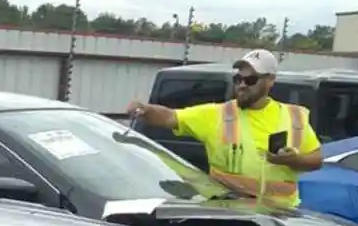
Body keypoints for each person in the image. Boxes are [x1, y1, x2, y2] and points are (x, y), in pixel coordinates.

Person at [125, 49, 322, 211]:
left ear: (270, 80)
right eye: (238, 79)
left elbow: (316, 160)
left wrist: (294, 160)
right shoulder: (217, 114)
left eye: (250, 80)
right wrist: (146, 109)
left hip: (282, 217)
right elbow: (171, 116)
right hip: (228, 216)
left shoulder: (294, 117)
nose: (242, 85)